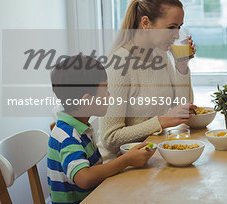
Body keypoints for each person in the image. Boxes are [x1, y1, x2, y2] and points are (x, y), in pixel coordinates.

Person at [99, 0, 196, 162]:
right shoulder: (118, 64)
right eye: (171, 27)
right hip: (120, 166)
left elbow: (183, 109)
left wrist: (182, 66)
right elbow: (110, 139)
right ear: (145, 22)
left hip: (152, 155)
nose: (176, 35)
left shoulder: (160, 55)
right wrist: (161, 121)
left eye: (179, 27)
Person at [48, 55, 153, 204]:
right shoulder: (67, 136)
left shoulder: (80, 126)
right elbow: (84, 178)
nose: (109, 94)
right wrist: (125, 161)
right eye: (105, 89)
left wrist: (120, 159)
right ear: (87, 100)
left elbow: (90, 169)